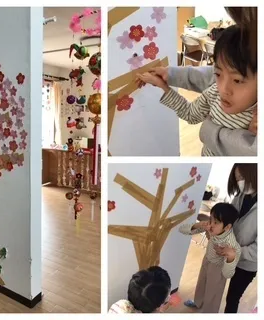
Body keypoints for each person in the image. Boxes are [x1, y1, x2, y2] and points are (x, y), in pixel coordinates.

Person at [139, 7, 257, 156]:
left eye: (237, 81)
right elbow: (190, 114)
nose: (224, 89)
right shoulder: (214, 93)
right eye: (218, 74)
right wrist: (164, 87)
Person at [179, 203, 241, 313]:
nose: (211, 224)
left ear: (227, 227)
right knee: (201, 284)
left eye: (215, 222)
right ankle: (198, 303)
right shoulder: (212, 227)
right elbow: (182, 230)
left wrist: (231, 257)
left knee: (213, 294)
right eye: (211, 219)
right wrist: (199, 225)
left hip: (219, 269)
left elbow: (228, 274)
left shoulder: (232, 244)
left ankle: (208, 312)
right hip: (207, 259)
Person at [214, 163, 257, 313]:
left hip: (247, 264)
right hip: (227, 252)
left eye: (242, 177)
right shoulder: (240, 196)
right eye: (237, 178)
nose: (240, 182)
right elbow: (229, 219)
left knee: (233, 297)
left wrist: (235, 251)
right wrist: (215, 224)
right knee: (215, 284)